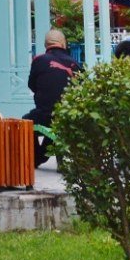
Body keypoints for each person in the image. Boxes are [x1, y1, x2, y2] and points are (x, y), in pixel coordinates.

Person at [25, 28, 78, 166]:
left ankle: (36, 158)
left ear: (46, 45)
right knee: (56, 126)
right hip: (70, 116)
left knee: (25, 123)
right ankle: (45, 155)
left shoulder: (39, 60)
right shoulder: (74, 63)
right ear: (63, 43)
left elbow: (31, 85)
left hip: (45, 114)